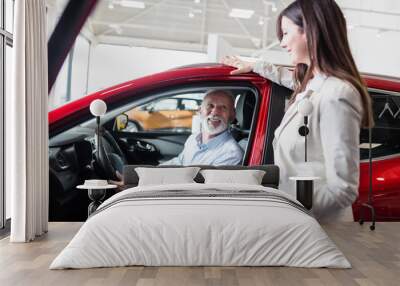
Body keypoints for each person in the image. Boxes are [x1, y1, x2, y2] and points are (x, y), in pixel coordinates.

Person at [222, 0, 373, 221]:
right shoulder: (314, 85)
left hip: (318, 229)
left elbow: (343, 190)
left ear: (310, 31)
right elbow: (295, 81)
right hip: (301, 222)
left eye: (285, 33)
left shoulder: (337, 94)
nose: (282, 43)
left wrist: (287, 207)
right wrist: (256, 66)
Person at [161, 89, 243, 165]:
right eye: (210, 105)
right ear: (200, 111)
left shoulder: (231, 154)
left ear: (232, 115)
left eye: (223, 107)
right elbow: (179, 162)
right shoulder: (193, 139)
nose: (215, 112)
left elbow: (195, 181)